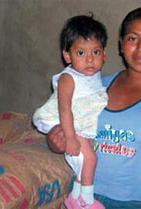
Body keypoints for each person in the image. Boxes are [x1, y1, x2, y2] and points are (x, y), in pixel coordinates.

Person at [46, 6, 141, 209]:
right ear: (121, 45)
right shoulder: (94, 87)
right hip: (82, 195)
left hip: (132, 203)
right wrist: (55, 141)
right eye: (133, 39)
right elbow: (64, 128)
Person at [33, 15, 108, 209]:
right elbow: (64, 108)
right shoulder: (69, 78)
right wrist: (71, 137)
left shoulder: (95, 77)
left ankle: (74, 197)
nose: (90, 59)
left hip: (79, 124)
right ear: (67, 56)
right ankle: (87, 200)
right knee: (91, 159)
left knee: (85, 163)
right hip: (65, 122)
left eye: (96, 52)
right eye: (81, 53)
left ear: (104, 54)